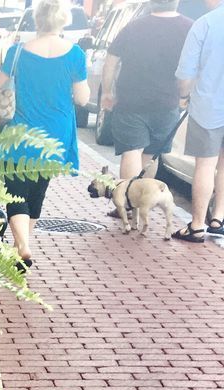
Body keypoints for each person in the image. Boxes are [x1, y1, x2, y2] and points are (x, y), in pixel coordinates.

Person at [0, 0, 90, 266]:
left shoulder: (16, 52)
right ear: (63, 21)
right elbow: (83, 99)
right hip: (55, 137)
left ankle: (22, 245)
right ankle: (21, 247)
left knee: (15, 192)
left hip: (18, 135)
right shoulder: (76, 55)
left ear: (37, 21)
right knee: (37, 192)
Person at [100, 0, 193, 183]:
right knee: (151, 156)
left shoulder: (133, 26)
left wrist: (107, 91)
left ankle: (127, 203)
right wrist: (184, 94)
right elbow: (191, 68)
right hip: (167, 103)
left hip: (131, 101)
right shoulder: (190, 28)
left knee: (132, 151)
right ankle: (141, 204)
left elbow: (110, 61)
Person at [173, 0, 224, 242]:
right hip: (210, 105)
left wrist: (184, 96)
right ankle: (219, 218)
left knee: (205, 165)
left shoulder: (206, 23)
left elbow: (185, 73)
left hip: (208, 106)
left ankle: (197, 226)